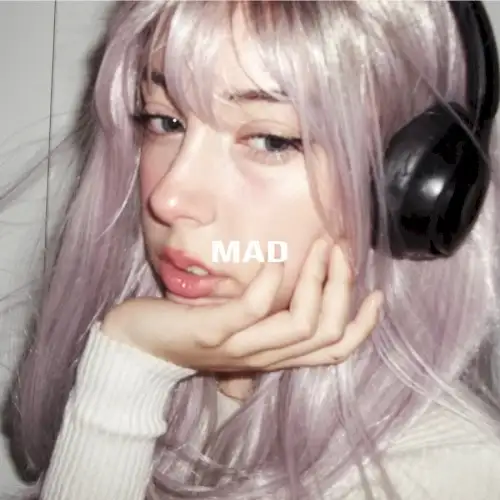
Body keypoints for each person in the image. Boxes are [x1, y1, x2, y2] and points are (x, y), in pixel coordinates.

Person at [5, 0, 500, 498]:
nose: (169, 198)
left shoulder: (435, 474)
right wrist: (127, 371)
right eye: (165, 121)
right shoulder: (166, 366)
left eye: (270, 140)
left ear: (414, 185)